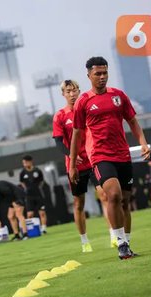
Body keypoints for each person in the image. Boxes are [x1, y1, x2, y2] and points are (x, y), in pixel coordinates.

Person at [69, 56, 150, 260]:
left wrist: (142, 142)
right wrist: (72, 164)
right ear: (89, 76)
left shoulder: (119, 96)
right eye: (98, 73)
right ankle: (120, 243)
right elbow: (77, 134)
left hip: (122, 154)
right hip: (99, 156)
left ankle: (127, 242)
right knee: (113, 195)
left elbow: (132, 121)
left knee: (124, 201)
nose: (102, 77)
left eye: (105, 73)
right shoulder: (83, 102)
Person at [53, 79, 95, 252]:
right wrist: (72, 156)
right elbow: (58, 141)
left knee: (106, 195)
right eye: (68, 91)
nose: (72, 94)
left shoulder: (88, 109)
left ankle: (114, 235)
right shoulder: (60, 116)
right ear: (63, 94)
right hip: (75, 166)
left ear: (79, 91)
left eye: (74, 90)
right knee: (79, 203)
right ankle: (85, 241)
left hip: (94, 159)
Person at [19, 155, 48, 233]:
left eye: (25, 162)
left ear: (30, 162)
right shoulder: (22, 172)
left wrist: (37, 188)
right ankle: (31, 229)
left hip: (38, 194)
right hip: (29, 196)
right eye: (23, 163)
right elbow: (21, 182)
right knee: (29, 214)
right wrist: (26, 189)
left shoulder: (37, 171)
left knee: (42, 212)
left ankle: (44, 228)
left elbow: (42, 181)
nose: (24, 164)